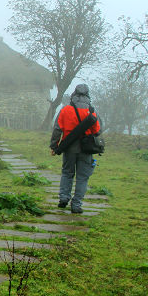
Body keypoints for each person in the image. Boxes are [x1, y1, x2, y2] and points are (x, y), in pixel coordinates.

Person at [49, 84, 101, 214]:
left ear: (74, 95)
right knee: (83, 177)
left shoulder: (65, 110)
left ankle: (64, 198)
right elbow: (97, 131)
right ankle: (76, 204)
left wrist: (54, 146)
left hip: (69, 147)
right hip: (86, 149)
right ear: (87, 96)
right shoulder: (91, 111)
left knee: (67, 173)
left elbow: (57, 129)